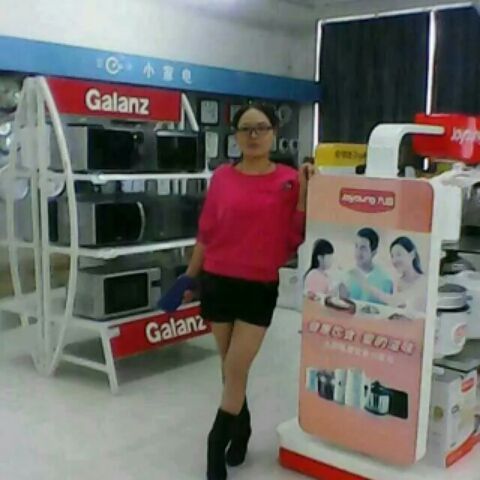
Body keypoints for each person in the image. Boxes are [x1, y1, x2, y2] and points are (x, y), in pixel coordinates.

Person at [160, 103, 314, 480]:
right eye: (246, 129)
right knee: (228, 367)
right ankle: (241, 429)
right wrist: (189, 279)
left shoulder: (291, 180)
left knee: (235, 367)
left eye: (261, 127)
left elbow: (297, 232)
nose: (254, 135)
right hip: (217, 281)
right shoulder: (223, 178)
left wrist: (307, 188)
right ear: (236, 136)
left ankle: (215, 445)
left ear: (274, 133)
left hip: (258, 287)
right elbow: (207, 233)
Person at [355, 236, 427, 313]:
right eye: (392, 256)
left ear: (412, 255)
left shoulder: (425, 283)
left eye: (399, 254)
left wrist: (367, 286)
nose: (394, 260)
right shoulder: (396, 282)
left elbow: (396, 301)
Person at [341, 228, 393, 305]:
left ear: (373, 252)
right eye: (356, 246)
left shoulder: (385, 280)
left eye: (363, 248)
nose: (358, 252)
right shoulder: (347, 274)